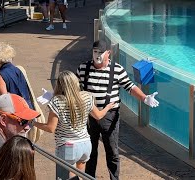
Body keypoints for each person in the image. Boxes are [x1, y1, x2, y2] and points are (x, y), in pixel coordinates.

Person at [76, 41, 159, 180]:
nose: (97, 55)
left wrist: (144, 98)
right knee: (89, 151)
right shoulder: (83, 68)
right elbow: (74, 87)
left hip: (109, 116)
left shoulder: (117, 70)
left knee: (112, 151)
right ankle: (89, 178)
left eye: (100, 52)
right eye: (95, 51)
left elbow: (129, 87)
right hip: (88, 116)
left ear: (108, 53)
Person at [34, 70, 115, 180]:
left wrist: (33, 123)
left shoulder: (57, 101)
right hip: (85, 144)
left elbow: (50, 128)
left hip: (68, 146)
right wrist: (107, 107)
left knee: (65, 178)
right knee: (79, 177)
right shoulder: (87, 97)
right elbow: (98, 116)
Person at [0, 42, 34, 110]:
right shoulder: (18, 70)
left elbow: (5, 100)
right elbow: (15, 89)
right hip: (27, 109)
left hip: (15, 113)